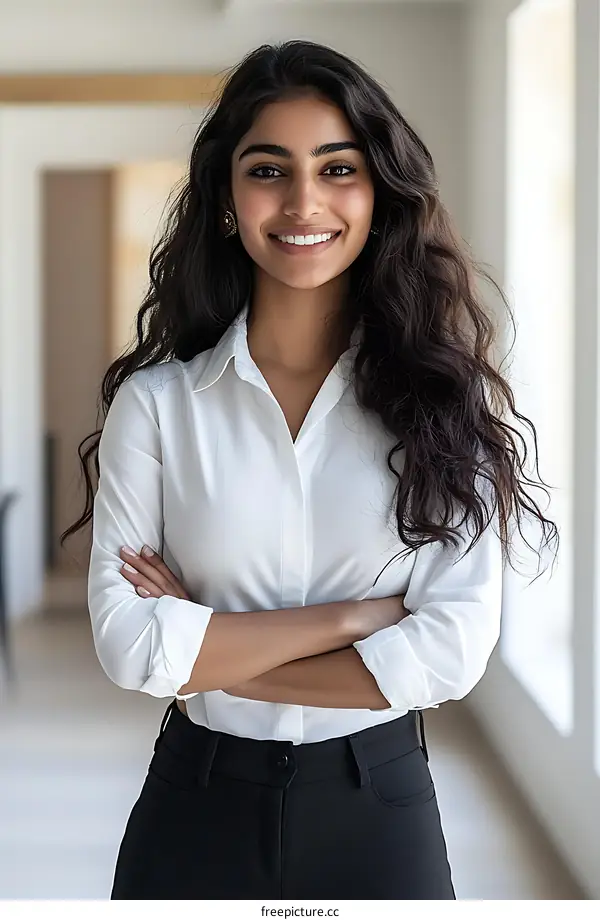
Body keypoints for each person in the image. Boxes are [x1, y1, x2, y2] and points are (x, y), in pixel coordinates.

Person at [63, 40, 557, 900]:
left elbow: (448, 656)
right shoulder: (158, 406)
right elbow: (130, 647)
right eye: (268, 170)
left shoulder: (448, 405)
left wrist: (205, 649)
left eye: (338, 169)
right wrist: (359, 618)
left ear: (377, 196)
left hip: (381, 809)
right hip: (195, 804)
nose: (303, 202)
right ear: (226, 198)